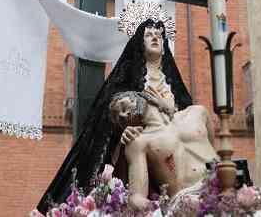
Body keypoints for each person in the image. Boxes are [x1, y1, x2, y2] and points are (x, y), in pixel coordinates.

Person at [39, 17, 192, 212]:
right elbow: (110, 122)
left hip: (173, 159)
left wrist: (170, 108)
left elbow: (187, 120)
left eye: (158, 35)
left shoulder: (174, 86)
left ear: (164, 45)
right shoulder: (128, 82)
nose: (154, 37)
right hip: (140, 158)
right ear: (139, 44)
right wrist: (124, 132)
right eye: (148, 35)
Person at [112, 91, 219, 212]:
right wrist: (161, 211)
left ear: (138, 96)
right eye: (119, 119)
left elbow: (214, 151)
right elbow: (136, 197)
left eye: (122, 106)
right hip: (186, 202)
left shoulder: (197, 112)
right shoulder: (138, 143)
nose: (122, 115)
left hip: (223, 185)